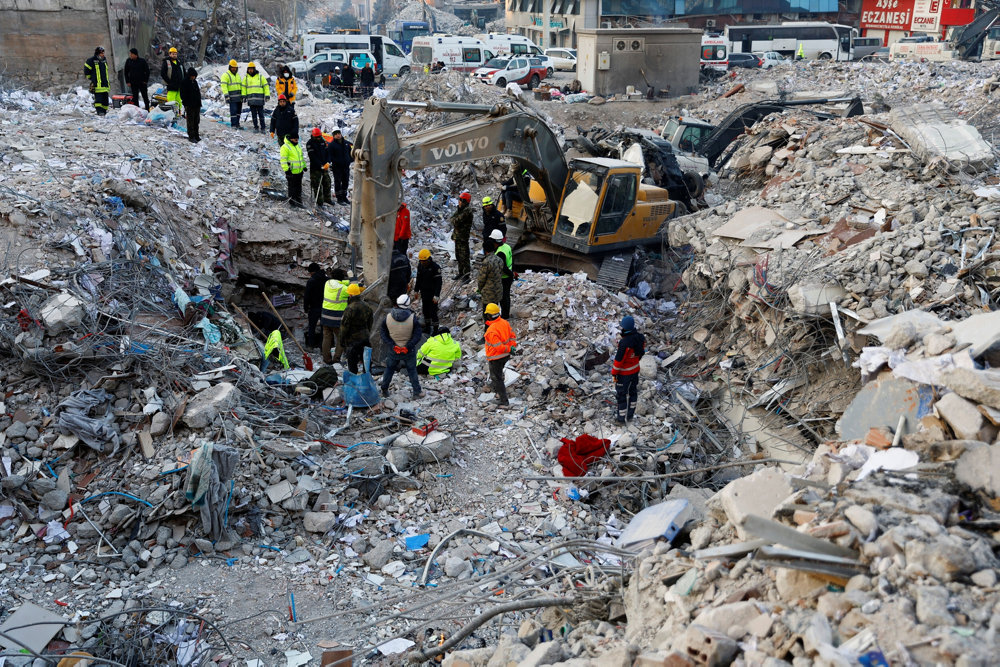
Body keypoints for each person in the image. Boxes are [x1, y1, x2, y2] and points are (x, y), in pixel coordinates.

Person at [380, 294, 423, 399]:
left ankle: (384, 390)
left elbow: (383, 333)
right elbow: (417, 335)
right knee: (412, 370)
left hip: (393, 350)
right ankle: (417, 392)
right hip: (408, 350)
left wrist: (392, 345)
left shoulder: (388, 317)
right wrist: (408, 346)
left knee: (389, 369)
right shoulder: (413, 318)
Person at [611, 315, 645, 424]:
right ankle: (630, 415)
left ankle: (621, 419)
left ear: (624, 327)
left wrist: (614, 374)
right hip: (635, 371)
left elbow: (619, 361)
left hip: (624, 374)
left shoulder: (624, 343)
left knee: (621, 395)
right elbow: (640, 353)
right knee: (632, 392)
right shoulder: (640, 338)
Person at [484, 303, 517, 406]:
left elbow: (498, 347)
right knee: (498, 375)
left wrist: (507, 348)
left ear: (489, 315)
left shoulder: (491, 330)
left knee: (497, 378)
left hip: (495, 357)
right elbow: (512, 337)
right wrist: (511, 347)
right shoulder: (504, 323)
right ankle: (497, 389)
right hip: (505, 356)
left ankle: (503, 400)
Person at [340, 283, 373, 374]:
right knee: (366, 362)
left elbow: (344, 326)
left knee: (352, 364)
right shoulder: (367, 306)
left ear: (350, 295)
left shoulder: (349, 308)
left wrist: (342, 340)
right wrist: (367, 332)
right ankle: (367, 381)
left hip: (352, 340)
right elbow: (370, 323)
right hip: (365, 337)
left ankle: (354, 383)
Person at [320, 268, 350, 364]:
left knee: (326, 338)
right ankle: (336, 359)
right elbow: (355, 290)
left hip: (325, 316)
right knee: (341, 339)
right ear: (341, 277)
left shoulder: (327, 283)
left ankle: (327, 359)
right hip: (337, 318)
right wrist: (353, 279)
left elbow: (341, 283)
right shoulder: (344, 289)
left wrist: (346, 281)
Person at [413, 248, 442, 332]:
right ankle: (428, 327)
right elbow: (419, 279)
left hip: (432, 293)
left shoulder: (435, 268)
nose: (423, 263)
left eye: (424, 261)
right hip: (424, 292)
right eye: (421, 261)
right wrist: (416, 290)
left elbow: (439, 283)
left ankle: (436, 330)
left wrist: (436, 295)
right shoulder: (420, 266)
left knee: (433, 312)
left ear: (429, 259)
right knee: (425, 311)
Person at [477, 236, 504, 319]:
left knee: (488, 316)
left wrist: (480, 289)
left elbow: (481, 279)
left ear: (485, 250)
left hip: (488, 294)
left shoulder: (486, 262)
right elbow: (501, 273)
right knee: (495, 313)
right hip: (498, 291)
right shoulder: (499, 260)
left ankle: (489, 330)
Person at [490, 229, 514, 319]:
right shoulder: (507, 246)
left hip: (504, 277)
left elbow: (503, 268)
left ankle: (504, 316)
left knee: (503, 298)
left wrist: (510, 274)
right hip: (508, 276)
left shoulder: (500, 252)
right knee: (506, 296)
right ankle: (506, 315)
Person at [306, 128, 333, 207]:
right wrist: (320, 165)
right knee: (317, 185)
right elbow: (312, 157)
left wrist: (328, 162)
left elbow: (328, 153)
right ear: (313, 136)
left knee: (327, 182)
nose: (318, 138)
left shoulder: (323, 141)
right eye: (317, 137)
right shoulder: (309, 143)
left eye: (319, 136)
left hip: (325, 166)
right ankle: (319, 202)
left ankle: (327, 199)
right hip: (315, 168)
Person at [450, 192, 473, 282]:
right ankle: (461, 273)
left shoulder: (467, 211)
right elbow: (452, 219)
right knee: (458, 256)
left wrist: (455, 217)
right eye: (459, 200)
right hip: (458, 236)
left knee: (464, 257)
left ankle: (466, 275)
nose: (460, 202)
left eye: (462, 200)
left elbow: (455, 221)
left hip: (463, 237)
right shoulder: (460, 209)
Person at [303, 262, 327, 347]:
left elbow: (307, 296)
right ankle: (322, 347)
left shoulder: (311, 281)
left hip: (314, 308)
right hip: (325, 307)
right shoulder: (327, 279)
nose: (310, 274)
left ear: (313, 272)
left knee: (311, 327)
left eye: (310, 273)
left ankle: (310, 346)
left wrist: (305, 307)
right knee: (324, 329)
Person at [280, 133, 306, 208]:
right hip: (291, 171)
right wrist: (286, 170)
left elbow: (301, 157)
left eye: (297, 139)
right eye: (295, 139)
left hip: (299, 171)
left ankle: (298, 200)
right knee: (292, 187)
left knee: (298, 186)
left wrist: (304, 166)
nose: (296, 140)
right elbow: (283, 160)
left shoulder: (297, 145)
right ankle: (292, 202)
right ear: (290, 139)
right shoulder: (285, 147)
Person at [328, 130, 353, 204]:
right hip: (337, 167)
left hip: (346, 166)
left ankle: (344, 197)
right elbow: (330, 156)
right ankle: (339, 199)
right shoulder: (332, 145)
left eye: (339, 133)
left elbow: (351, 152)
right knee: (338, 182)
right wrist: (332, 163)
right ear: (333, 136)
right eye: (336, 134)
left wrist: (350, 160)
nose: (338, 135)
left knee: (345, 181)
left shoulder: (346, 143)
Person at [243, 62, 270, 132]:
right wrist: (244, 96)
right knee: (253, 115)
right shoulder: (246, 78)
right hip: (251, 100)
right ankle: (256, 127)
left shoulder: (260, 77)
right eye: (249, 69)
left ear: (254, 69)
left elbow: (266, 86)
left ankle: (263, 128)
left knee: (261, 114)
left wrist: (267, 95)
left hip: (259, 100)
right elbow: (243, 88)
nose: (250, 70)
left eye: (251, 69)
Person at [84, 46, 110, 116]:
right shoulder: (91, 60)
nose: (103, 54)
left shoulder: (104, 60)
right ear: (97, 53)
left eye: (103, 53)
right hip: (97, 85)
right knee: (98, 99)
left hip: (105, 84)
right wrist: (92, 79)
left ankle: (104, 111)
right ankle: (100, 112)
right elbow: (86, 71)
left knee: (105, 99)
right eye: (101, 53)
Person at [179, 68, 202, 143]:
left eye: (194, 76)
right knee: (190, 121)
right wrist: (185, 102)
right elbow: (182, 94)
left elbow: (198, 93)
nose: (193, 77)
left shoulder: (194, 82)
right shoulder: (184, 82)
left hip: (196, 104)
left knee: (196, 120)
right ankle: (191, 136)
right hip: (189, 105)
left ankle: (196, 135)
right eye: (192, 76)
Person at [220, 59, 243, 129]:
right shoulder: (225, 75)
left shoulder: (238, 76)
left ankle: (237, 124)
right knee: (233, 111)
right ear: (230, 67)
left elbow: (241, 86)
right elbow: (224, 86)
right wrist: (226, 96)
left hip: (239, 97)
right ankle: (233, 125)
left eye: (235, 68)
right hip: (232, 97)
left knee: (238, 112)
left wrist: (243, 95)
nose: (234, 69)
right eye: (233, 67)